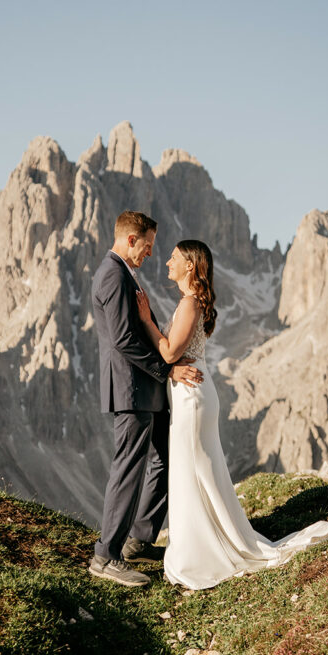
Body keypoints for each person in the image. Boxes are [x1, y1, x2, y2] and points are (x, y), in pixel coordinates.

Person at [136, 238, 328, 590]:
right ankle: (208, 542)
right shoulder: (191, 303)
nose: (167, 261)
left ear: (190, 265)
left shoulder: (188, 304)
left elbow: (169, 352)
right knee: (196, 471)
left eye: (174, 257)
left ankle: (200, 551)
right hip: (191, 395)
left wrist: (144, 319)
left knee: (192, 470)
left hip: (192, 400)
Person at [89, 211, 203, 587]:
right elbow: (123, 340)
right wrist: (167, 370)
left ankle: (139, 538)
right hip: (132, 388)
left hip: (144, 389)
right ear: (132, 239)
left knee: (165, 460)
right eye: (149, 246)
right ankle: (106, 556)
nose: (152, 254)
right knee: (128, 469)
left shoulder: (123, 272)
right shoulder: (112, 274)